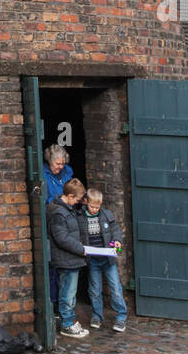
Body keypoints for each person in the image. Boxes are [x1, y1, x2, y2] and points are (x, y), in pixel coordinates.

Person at [79, 187, 127, 332]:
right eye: (92, 206)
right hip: (92, 259)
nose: (94, 209)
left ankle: (121, 316)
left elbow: (115, 230)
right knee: (94, 289)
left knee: (116, 288)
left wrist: (117, 240)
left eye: (97, 207)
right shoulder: (80, 217)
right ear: (86, 202)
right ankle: (97, 315)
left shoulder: (106, 215)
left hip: (108, 259)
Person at [46, 177, 89, 338]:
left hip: (71, 258)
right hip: (67, 258)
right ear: (70, 196)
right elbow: (62, 238)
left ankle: (69, 319)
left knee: (69, 291)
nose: (78, 202)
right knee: (68, 292)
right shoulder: (58, 213)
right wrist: (81, 249)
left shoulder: (66, 209)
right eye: (77, 199)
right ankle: (67, 323)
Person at [42, 145, 73, 316]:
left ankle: (66, 304)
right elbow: (46, 199)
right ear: (49, 160)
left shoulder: (67, 172)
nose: (60, 167)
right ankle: (53, 303)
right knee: (52, 264)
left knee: (66, 264)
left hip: (66, 221)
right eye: (57, 163)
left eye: (62, 163)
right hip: (51, 220)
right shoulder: (43, 174)